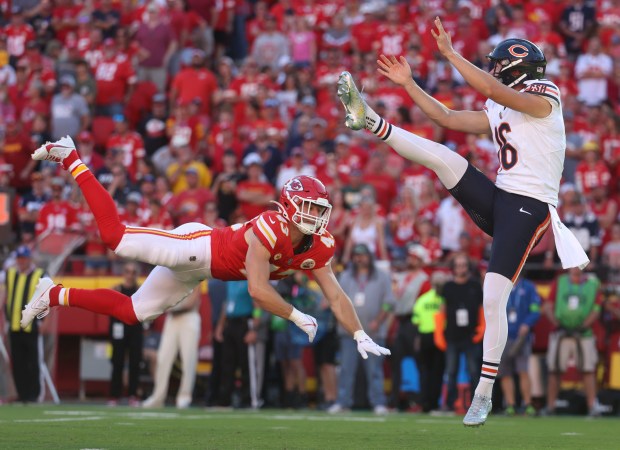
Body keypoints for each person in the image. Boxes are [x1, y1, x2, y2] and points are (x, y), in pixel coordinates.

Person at [337, 18, 588, 426]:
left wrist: (452, 54)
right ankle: (370, 120)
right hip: (501, 198)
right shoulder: (503, 103)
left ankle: (484, 393)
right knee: (444, 156)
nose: (492, 69)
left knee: (493, 294)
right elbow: (447, 117)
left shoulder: (546, 94)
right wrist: (409, 85)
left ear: (515, 66)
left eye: (497, 64)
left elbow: (491, 88)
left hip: (530, 207)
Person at [21, 137, 389, 366]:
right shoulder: (271, 225)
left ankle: (52, 293)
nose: (317, 216)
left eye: (320, 209)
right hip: (198, 248)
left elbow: (337, 295)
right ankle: (71, 156)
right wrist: (295, 315)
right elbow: (258, 290)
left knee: (134, 312)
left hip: (203, 271)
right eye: (310, 207)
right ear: (290, 205)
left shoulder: (320, 245)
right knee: (115, 238)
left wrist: (358, 333)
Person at [328, 243, 394, 415]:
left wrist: (378, 322)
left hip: (373, 332)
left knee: (374, 371)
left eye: (363, 255)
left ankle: (378, 402)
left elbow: (389, 303)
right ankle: (343, 402)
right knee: (346, 370)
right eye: (356, 255)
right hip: (349, 333)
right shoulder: (346, 276)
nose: (359, 258)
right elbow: (338, 301)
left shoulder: (382, 276)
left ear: (369, 256)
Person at [544, 267, 601, 416]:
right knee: (554, 370)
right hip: (561, 332)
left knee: (588, 370)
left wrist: (583, 326)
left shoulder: (593, 283)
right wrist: (557, 323)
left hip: (584, 333)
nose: (576, 268)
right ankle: (550, 407)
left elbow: (596, 308)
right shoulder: (560, 281)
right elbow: (549, 305)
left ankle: (592, 406)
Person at [142, 286, 201, 409]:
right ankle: (158, 397)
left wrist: (171, 307)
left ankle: (184, 398)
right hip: (172, 319)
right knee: (163, 358)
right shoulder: (174, 276)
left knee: (188, 360)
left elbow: (190, 303)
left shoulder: (195, 275)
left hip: (189, 318)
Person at [1, 245, 45, 403]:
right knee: (18, 363)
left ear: (29, 259)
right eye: (19, 259)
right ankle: (22, 394)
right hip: (13, 324)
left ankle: (34, 394)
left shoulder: (39, 275)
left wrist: (42, 321)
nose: (21, 262)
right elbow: (5, 296)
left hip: (32, 325)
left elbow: (46, 298)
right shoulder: (11, 274)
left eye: (23, 258)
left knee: (33, 361)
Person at [497, 275, 541, 416]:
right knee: (505, 373)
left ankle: (527, 404)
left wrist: (527, 324)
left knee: (523, 371)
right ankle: (510, 405)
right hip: (504, 335)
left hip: (521, 337)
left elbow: (535, 310)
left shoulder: (528, 287)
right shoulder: (501, 286)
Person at [108, 262, 143, 407]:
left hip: (135, 330)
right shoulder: (116, 289)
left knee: (135, 363)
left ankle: (133, 395)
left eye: (133, 272)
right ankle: (114, 395)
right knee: (117, 363)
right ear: (123, 273)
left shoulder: (141, 291)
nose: (130, 275)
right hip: (119, 330)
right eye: (127, 271)